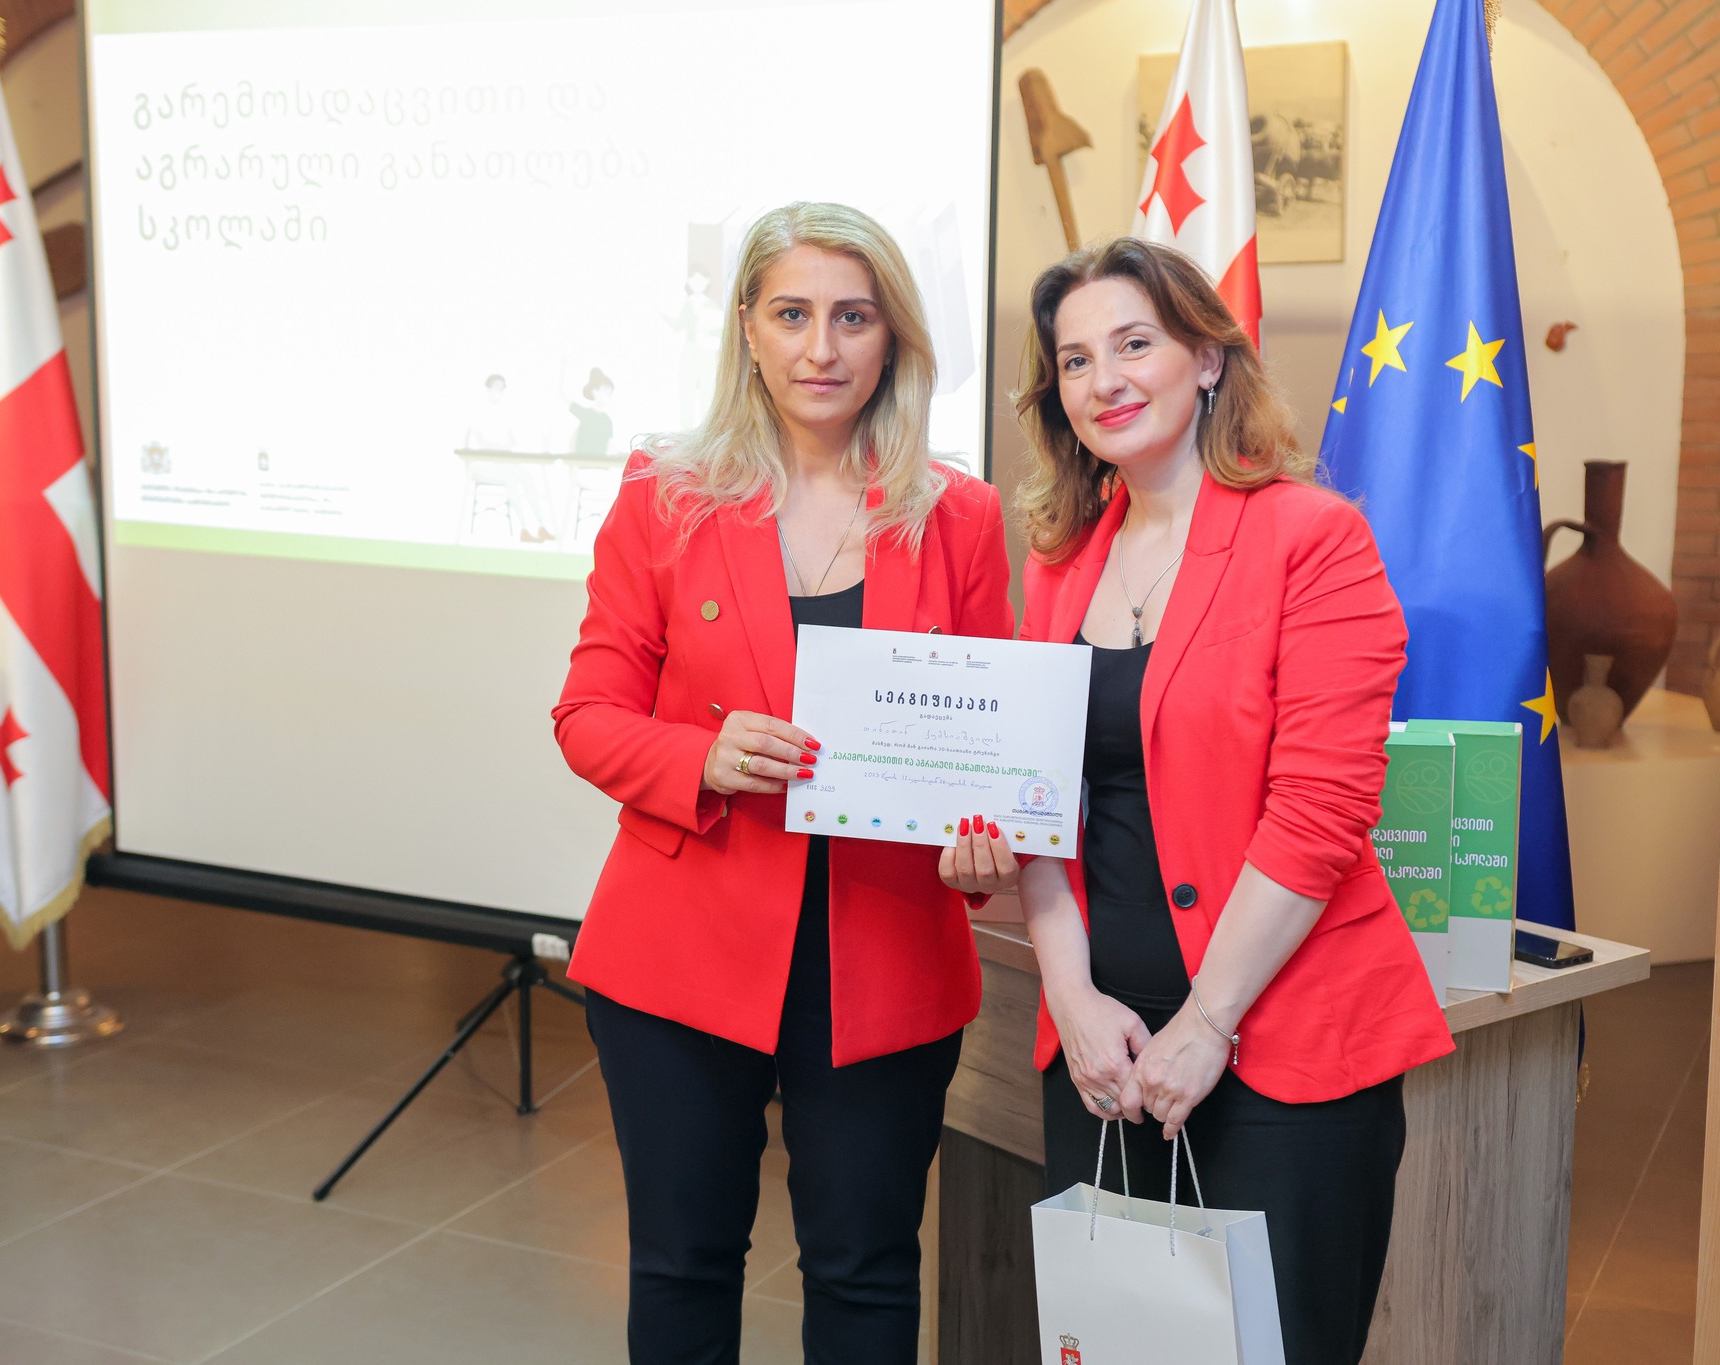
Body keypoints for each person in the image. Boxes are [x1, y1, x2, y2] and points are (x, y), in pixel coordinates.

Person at [554, 201, 1014, 1365]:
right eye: (792, 314)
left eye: (852, 317)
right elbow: (587, 715)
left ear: (892, 337)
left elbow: (993, 740)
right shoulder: (663, 495)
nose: (821, 348)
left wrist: (983, 835)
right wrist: (696, 757)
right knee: (682, 1262)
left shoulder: (959, 516)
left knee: (865, 1270)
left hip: (884, 946)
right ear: (747, 331)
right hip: (680, 947)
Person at [1008, 237, 1453, 1365]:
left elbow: (1319, 812)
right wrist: (1071, 1000)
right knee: (1113, 1348)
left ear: (1207, 358)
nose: (1103, 380)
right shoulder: (1058, 563)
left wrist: (1206, 1024)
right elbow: (1034, 802)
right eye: (1074, 361)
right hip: (1103, 1051)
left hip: (1278, 1044)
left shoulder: (1311, 536)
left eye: (1133, 344)